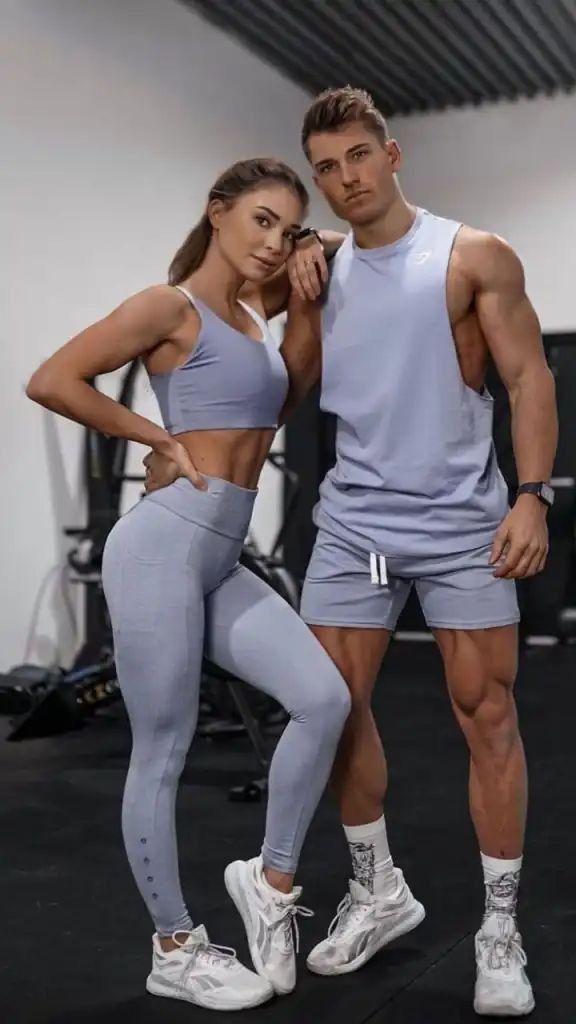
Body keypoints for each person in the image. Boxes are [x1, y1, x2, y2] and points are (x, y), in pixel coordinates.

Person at [25, 157, 354, 1011]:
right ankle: (174, 946)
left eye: (286, 229)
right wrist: (154, 436)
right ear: (217, 213)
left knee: (323, 699)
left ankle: (266, 882)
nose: (274, 242)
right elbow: (51, 378)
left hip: (217, 555)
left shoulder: (252, 315)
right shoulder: (169, 305)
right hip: (163, 548)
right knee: (163, 748)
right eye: (260, 221)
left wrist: (309, 294)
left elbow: (286, 400)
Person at [283, 87, 557, 1018]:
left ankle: (500, 926)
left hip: (460, 525)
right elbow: (297, 381)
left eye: (357, 155)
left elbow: (527, 377)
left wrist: (532, 496)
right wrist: (298, 301)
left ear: (392, 153)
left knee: (486, 714)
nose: (344, 177)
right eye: (325, 166)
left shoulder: (471, 254)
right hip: (357, 523)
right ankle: (378, 890)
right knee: (331, 708)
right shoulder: (318, 270)